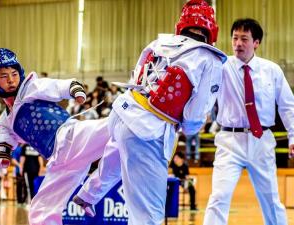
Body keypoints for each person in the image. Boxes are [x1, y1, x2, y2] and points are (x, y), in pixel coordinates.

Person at [72, 0, 226, 223]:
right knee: (148, 215)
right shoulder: (209, 59)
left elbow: (137, 76)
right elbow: (194, 115)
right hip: (148, 130)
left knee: (116, 155)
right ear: (212, 30)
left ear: (181, 24)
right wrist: (188, 127)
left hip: (122, 111)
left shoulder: (160, 43)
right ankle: (89, 195)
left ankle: (87, 195)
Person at [0, 48, 111, 224]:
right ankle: (86, 197)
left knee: (118, 128)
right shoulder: (6, 120)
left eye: (14, 74)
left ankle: (89, 194)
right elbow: (6, 138)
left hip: (70, 136)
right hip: (58, 162)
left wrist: (73, 89)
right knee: (40, 211)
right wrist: (4, 153)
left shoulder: (29, 88)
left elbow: (54, 87)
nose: (11, 80)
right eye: (4, 76)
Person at [203, 18, 294, 225]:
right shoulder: (221, 67)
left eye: (244, 39)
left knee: (271, 200)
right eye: (235, 38)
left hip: (261, 140)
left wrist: (292, 136)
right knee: (218, 197)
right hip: (229, 140)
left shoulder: (272, 71)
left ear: (256, 42)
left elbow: (288, 106)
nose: (238, 44)